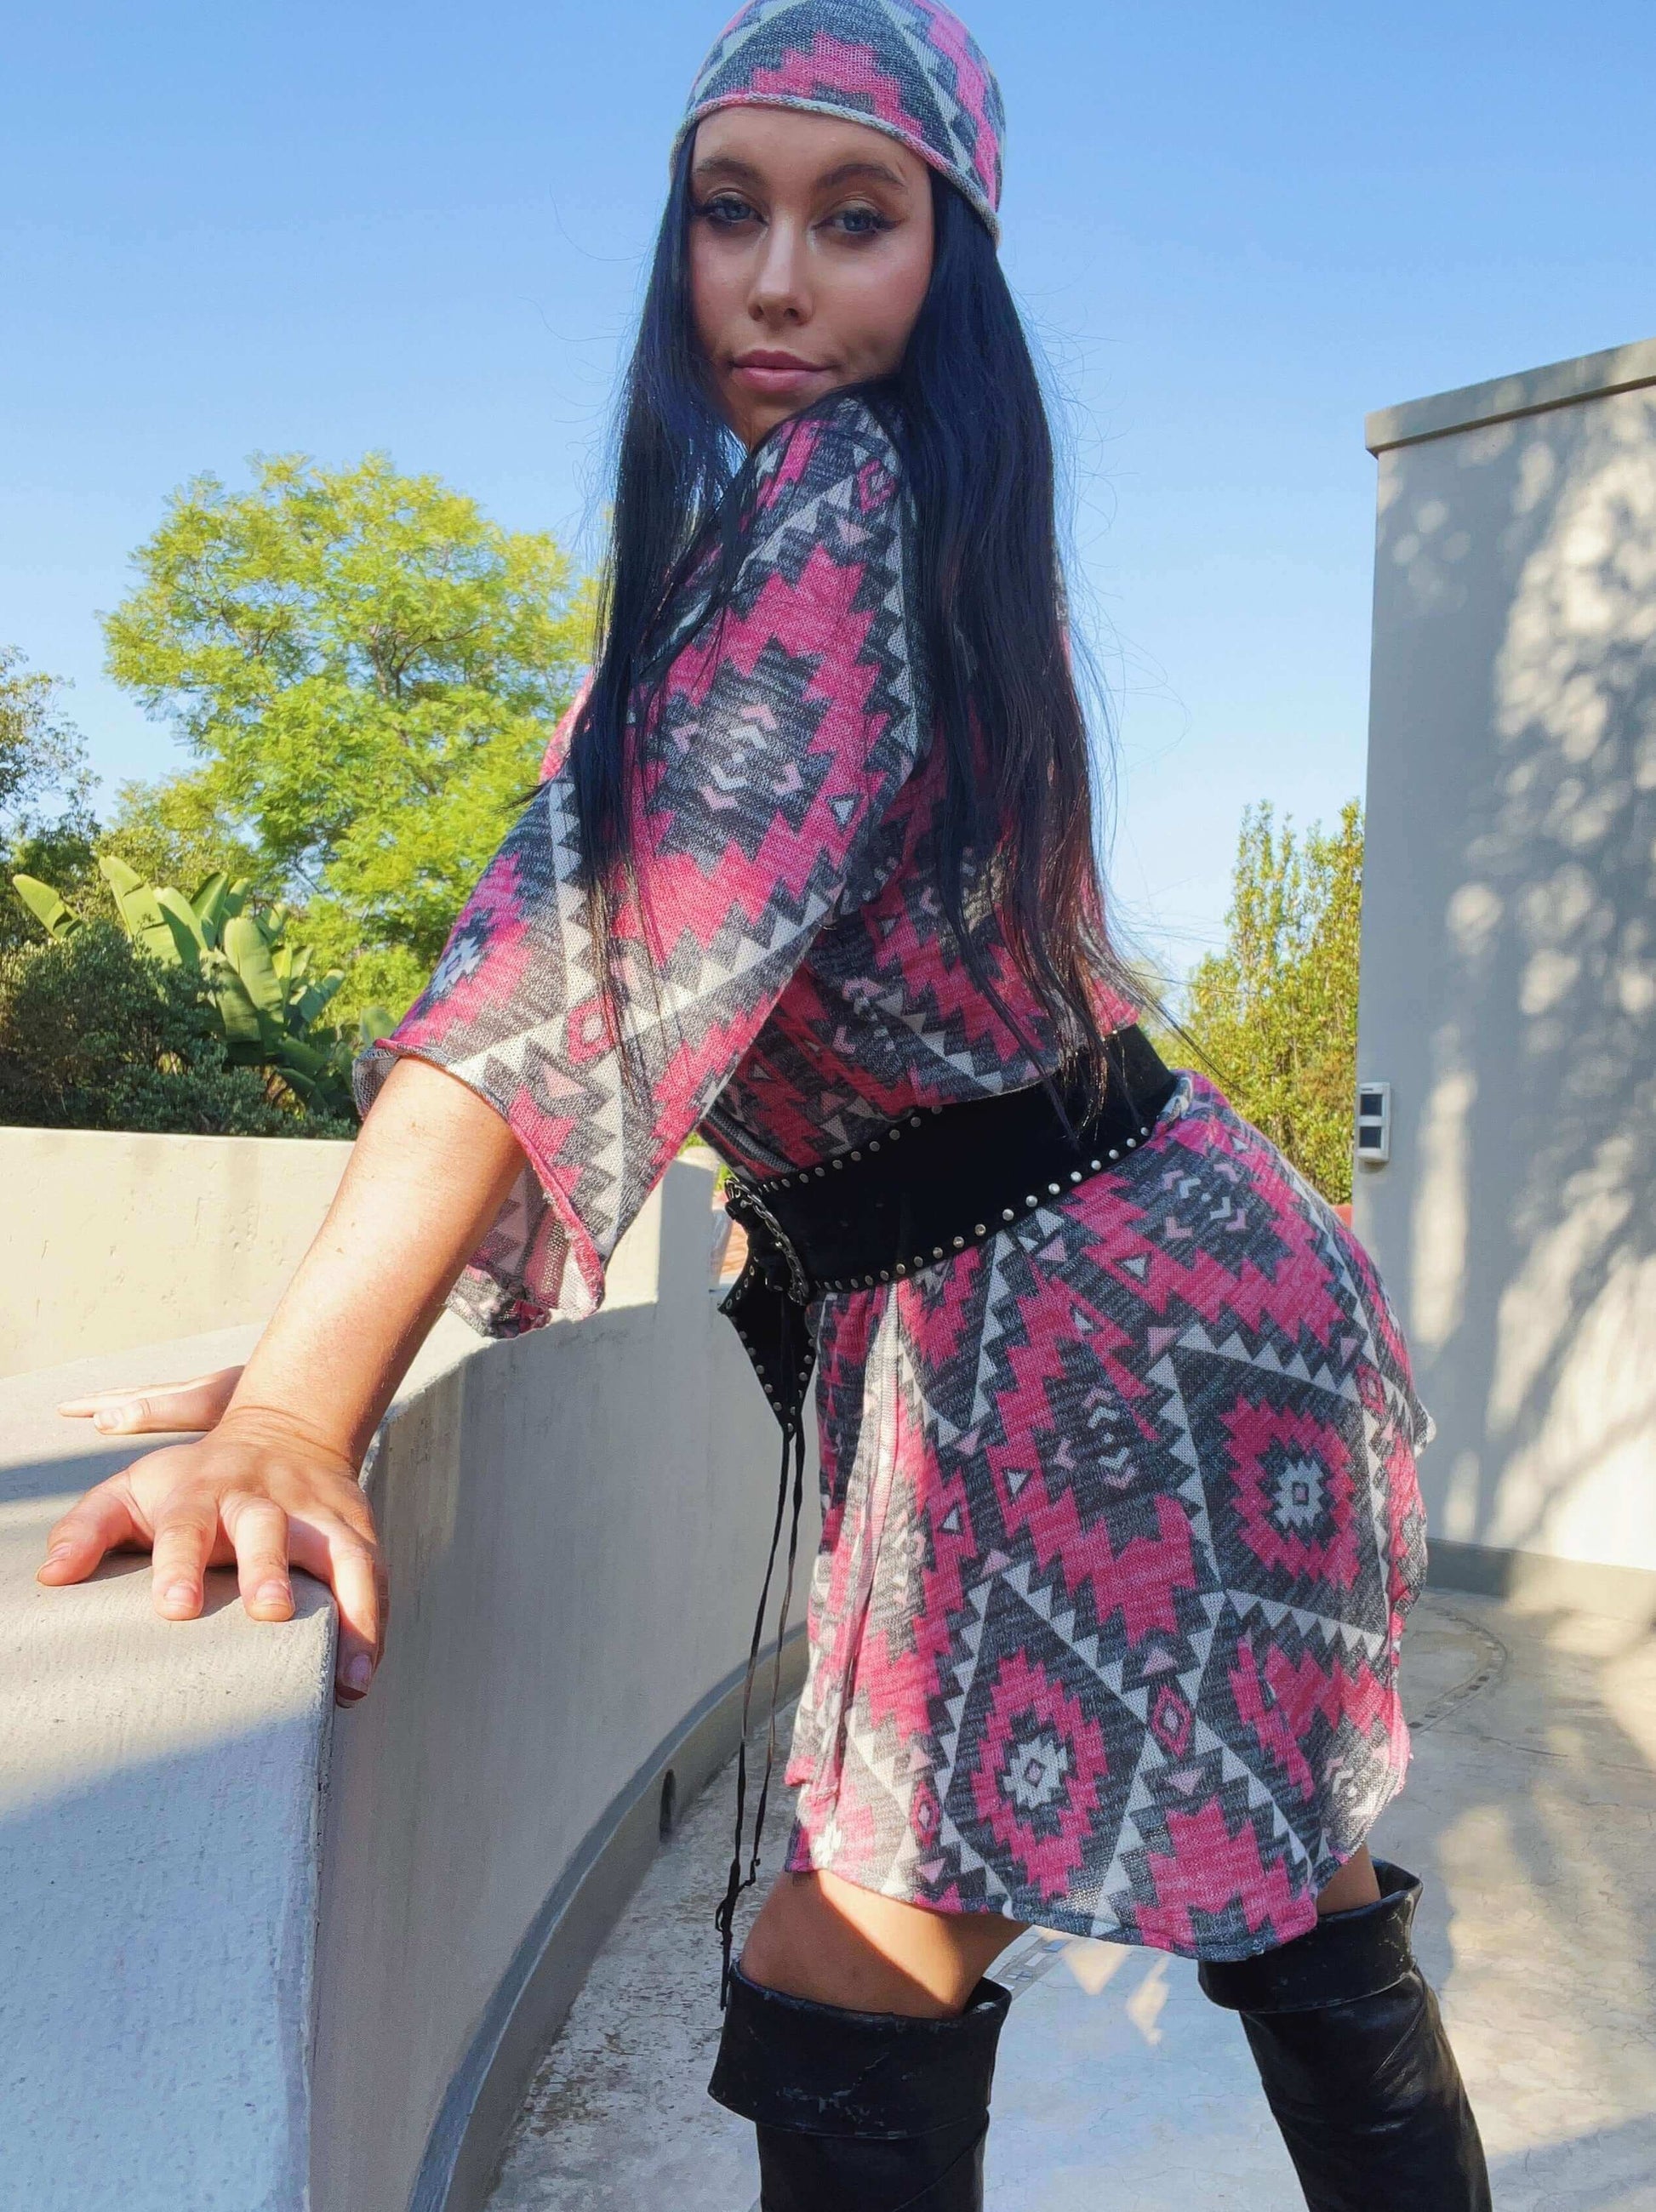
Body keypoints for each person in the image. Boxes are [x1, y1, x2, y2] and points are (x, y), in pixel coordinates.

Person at [42, 3, 1491, 2205]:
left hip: (1098, 1327)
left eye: (856, 219)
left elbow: (585, 954)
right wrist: (328, 1335)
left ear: (952, 268)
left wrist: (305, 1408)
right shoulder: (886, 529)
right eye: (728, 215)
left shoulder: (847, 509)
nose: (780, 283)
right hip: (1134, 1290)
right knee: (1288, 1873)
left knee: (851, 1956)